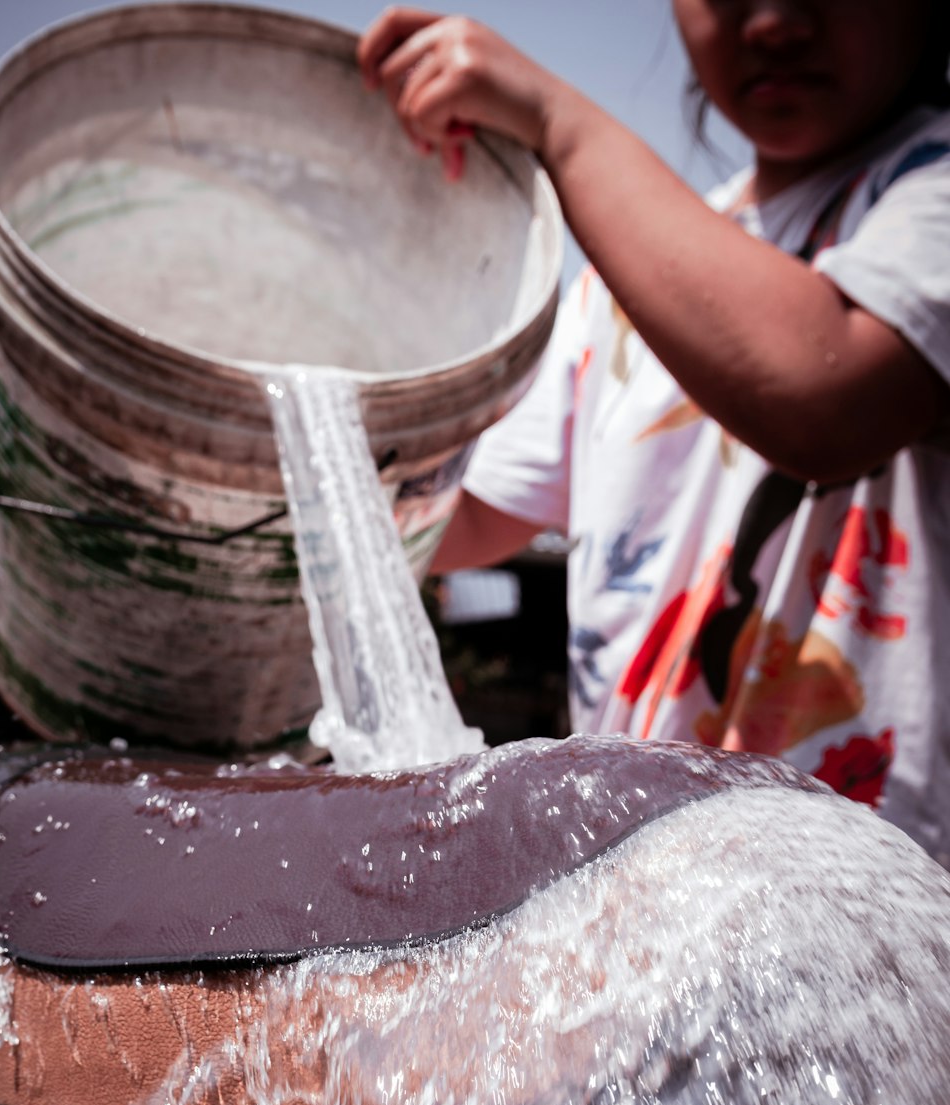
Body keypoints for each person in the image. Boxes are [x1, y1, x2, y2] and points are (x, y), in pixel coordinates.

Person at [358, 1, 950, 865]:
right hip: (642, 895)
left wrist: (560, 126)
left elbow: (823, 394)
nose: (777, 21)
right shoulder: (631, 279)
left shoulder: (931, 198)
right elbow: (469, 517)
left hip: (871, 923)